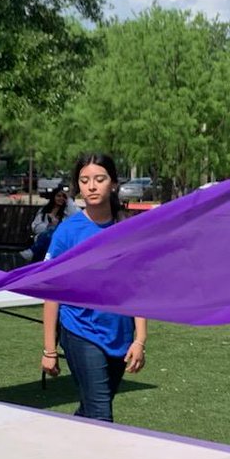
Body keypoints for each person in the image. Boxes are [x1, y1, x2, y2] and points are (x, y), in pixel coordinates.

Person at [40, 154, 147, 422]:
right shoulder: (68, 232)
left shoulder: (127, 228)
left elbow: (136, 288)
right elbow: (52, 291)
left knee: (91, 410)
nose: (92, 186)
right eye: (84, 180)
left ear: (112, 184)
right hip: (80, 331)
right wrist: (49, 349)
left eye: (99, 179)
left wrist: (140, 339)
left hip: (119, 335)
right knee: (101, 415)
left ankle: (64, 446)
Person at [19, 185, 75, 261]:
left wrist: (68, 198)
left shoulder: (67, 212)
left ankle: (32, 252)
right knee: (49, 233)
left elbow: (75, 214)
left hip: (58, 242)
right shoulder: (44, 210)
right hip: (42, 238)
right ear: (53, 197)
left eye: (64, 197)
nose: (61, 198)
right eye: (58, 196)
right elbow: (34, 226)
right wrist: (48, 227)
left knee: (53, 232)